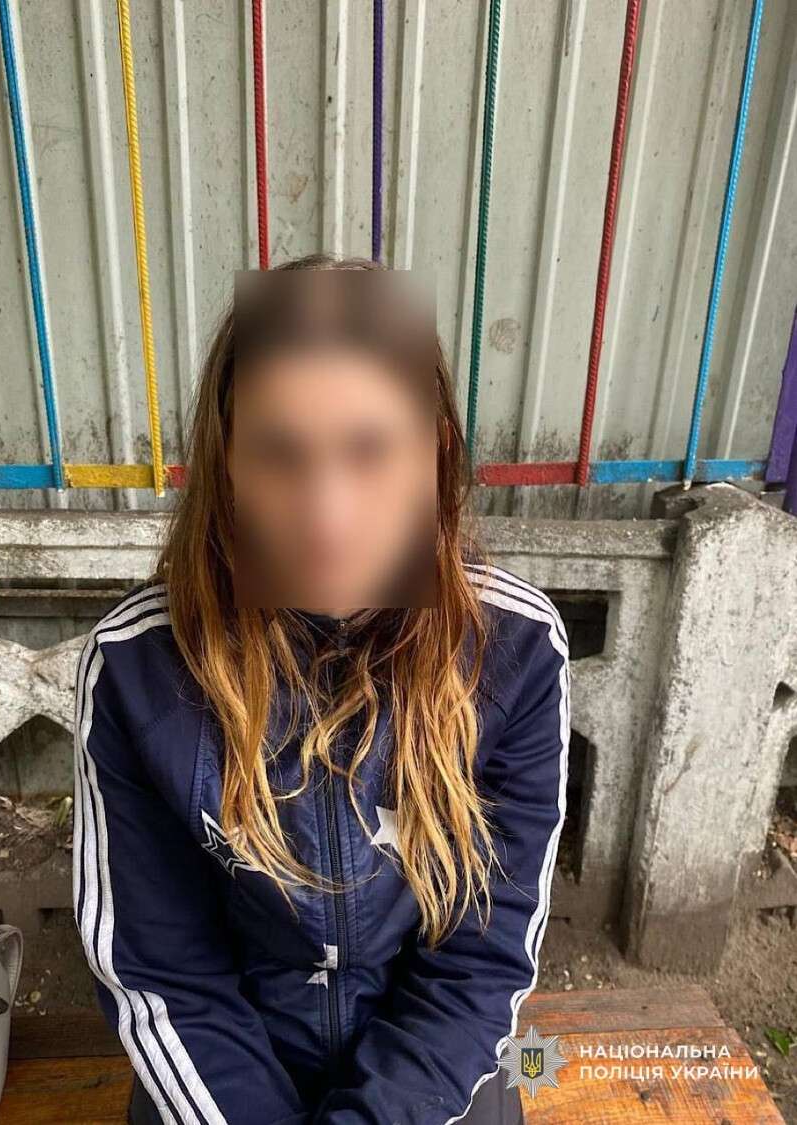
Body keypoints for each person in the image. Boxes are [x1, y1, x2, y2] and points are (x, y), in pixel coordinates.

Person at [72, 252, 570, 1125]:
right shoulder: (137, 668)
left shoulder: (515, 650)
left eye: (371, 451)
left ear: (433, 454)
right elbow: (166, 977)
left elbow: (479, 964)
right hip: (217, 1088)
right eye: (279, 454)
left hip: (430, 1082)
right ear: (226, 463)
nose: (327, 516)